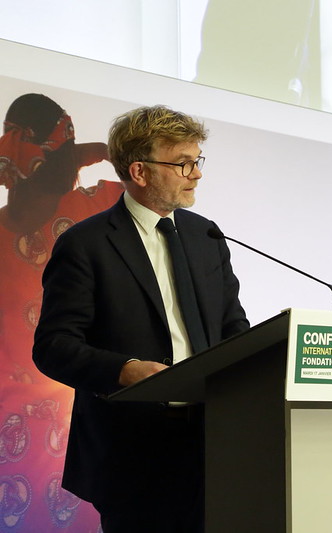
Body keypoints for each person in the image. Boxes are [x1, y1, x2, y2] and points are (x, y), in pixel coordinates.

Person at [32, 105, 250, 533]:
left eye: (196, 161)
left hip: (212, 445)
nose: (196, 174)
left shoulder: (206, 236)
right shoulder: (85, 244)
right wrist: (125, 370)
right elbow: (53, 346)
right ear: (140, 171)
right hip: (132, 449)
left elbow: (233, 329)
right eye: (183, 163)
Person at [0, 93, 124, 531]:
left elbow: (154, 195)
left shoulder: (97, 205)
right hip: (15, 437)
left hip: (82, 421)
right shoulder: (96, 205)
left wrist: (108, 154)